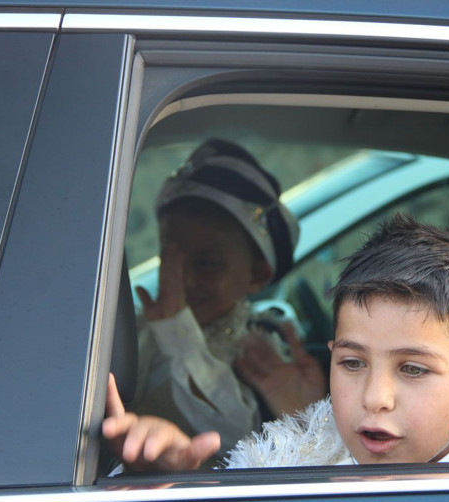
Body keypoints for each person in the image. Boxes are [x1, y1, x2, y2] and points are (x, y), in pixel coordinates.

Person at [104, 214, 449, 469]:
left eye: (412, 368)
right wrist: (175, 480)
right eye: (352, 363)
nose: (375, 398)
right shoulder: (283, 469)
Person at [128, 138, 324, 462]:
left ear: (256, 276)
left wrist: (179, 335)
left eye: (207, 264)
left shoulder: (259, 353)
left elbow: (230, 436)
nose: (184, 279)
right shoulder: (136, 333)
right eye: (171, 260)